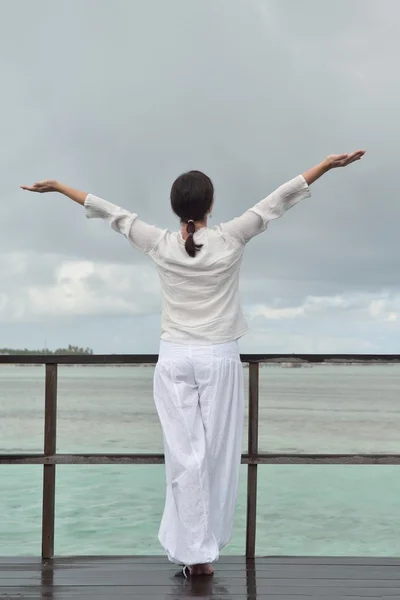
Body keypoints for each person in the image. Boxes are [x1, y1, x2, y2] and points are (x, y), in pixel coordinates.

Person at [21, 149, 365, 576]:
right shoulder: (231, 237)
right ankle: (201, 554)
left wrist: (56, 187)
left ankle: (193, 552)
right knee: (217, 457)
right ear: (210, 204)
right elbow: (280, 199)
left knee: (184, 458)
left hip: (174, 359)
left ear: (175, 207)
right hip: (218, 357)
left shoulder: (160, 243)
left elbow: (111, 212)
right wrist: (328, 167)